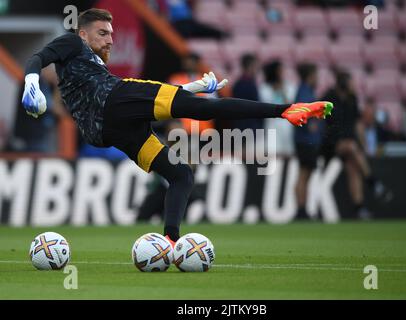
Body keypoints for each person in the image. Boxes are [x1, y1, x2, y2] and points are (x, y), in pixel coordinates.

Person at [21, 8, 333, 246]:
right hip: (114, 102)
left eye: (112, 33)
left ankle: (169, 242)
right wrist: (32, 82)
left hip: (107, 129)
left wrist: (193, 86)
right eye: (103, 33)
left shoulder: (90, 62)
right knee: (203, 109)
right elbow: (38, 57)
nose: (111, 39)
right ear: (84, 34)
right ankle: (286, 110)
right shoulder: (73, 43)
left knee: (180, 174)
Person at [321, 70, 390, 219]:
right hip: (330, 144)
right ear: (343, 83)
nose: (353, 86)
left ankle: (359, 208)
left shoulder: (352, 99)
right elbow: (321, 122)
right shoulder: (328, 98)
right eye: (350, 82)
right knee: (352, 147)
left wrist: (364, 146)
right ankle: (373, 182)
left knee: (353, 167)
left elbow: (358, 124)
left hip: (349, 146)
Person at [293, 63, 324, 220]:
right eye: (315, 75)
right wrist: (312, 124)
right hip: (306, 140)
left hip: (304, 140)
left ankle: (302, 209)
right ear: (310, 76)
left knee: (305, 174)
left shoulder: (305, 90)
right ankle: (300, 209)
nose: (317, 78)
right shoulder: (305, 91)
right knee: (304, 174)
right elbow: (303, 113)